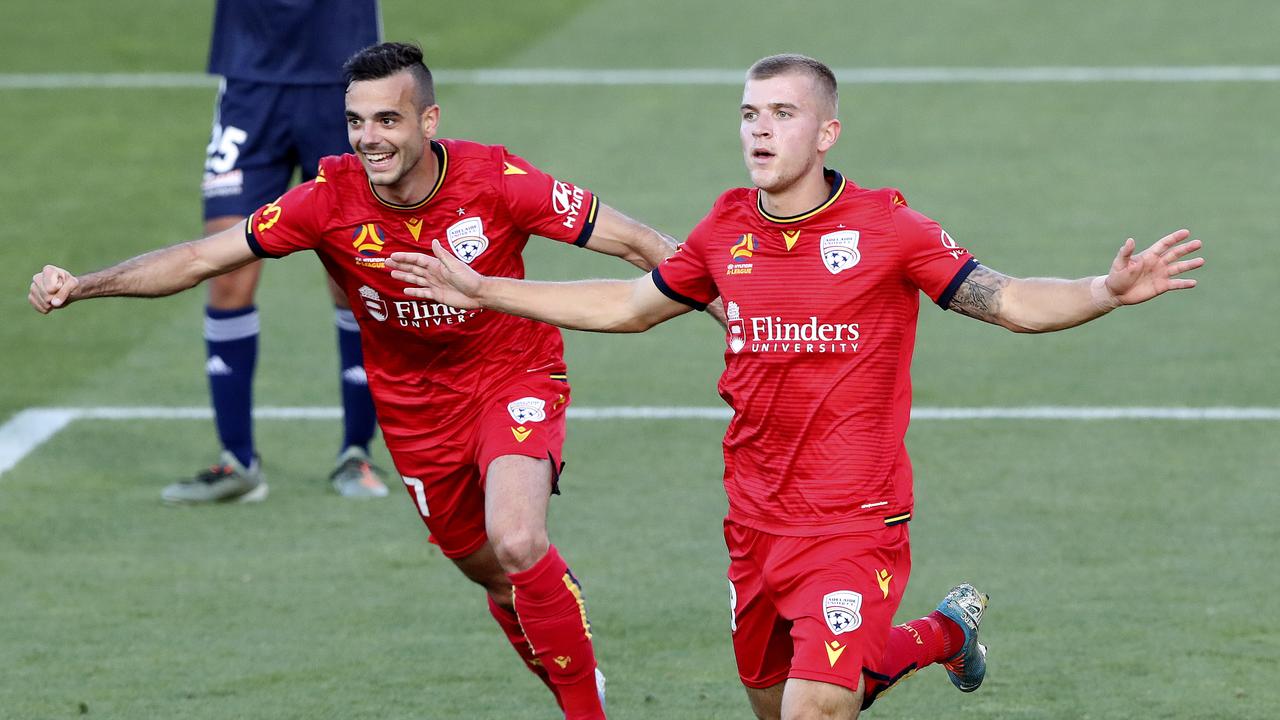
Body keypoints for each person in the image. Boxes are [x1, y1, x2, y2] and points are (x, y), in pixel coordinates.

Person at [384, 53, 1205, 720]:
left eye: (782, 114)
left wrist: (1105, 291)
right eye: (749, 114)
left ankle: (893, 650)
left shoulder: (889, 228)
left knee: (815, 710)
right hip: (756, 521)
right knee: (781, 704)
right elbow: (632, 307)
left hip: (856, 520)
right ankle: (942, 635)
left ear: (826, 133)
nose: (760, 129)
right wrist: (484, 288)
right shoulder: (725, 228)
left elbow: (1012, 300)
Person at [30, 42, 687, 720]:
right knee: (493, 573)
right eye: (356, 122)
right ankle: (578, 672)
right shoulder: (325, 201)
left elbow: (640, 243)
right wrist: (84, 285)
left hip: (509, 374)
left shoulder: (496, 180)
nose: (369, 138)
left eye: (387, 120)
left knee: (518, 539)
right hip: (413, 413)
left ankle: (587, 712)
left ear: (428, 121)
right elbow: (201, 258)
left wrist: (739, 313)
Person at [188, 0, 387, 503]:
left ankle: (356, 454)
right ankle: (237, 460)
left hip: (342, 78)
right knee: (227, 270)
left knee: (354, 273)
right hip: (250, 80)